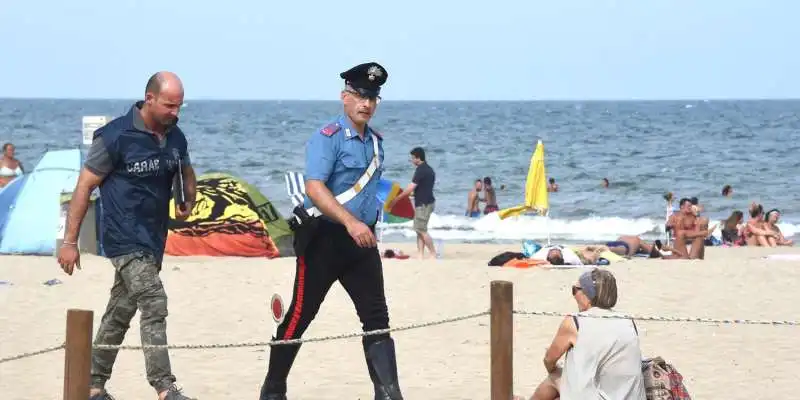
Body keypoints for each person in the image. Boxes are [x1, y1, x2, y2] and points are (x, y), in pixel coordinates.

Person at [259, 62, 404, 400]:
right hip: (325, 241)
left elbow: (370, 190)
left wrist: (369, 220)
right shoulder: (328, 138)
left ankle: (388, 394)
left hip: (362, 244)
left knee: (377, 319)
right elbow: (314, 187)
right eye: (359, 96)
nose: (366, 103)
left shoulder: (376, 144)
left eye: (372, 97)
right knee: (299, 316)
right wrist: (350, 221)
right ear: (345, 97)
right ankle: (273, 389)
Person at [56, 72, 197, 400]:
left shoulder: (176, 137)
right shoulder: (115, 137)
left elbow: (186, 170)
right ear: (149, 99)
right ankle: (164, 388)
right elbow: (84, 187)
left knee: (121, 309)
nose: (175, 112)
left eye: (179, 106)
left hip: (154, 238)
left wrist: (188, 199)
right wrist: (69, 242)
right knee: (154, 301)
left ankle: (92, 384)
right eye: (169, 105)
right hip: (122, 238)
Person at [518, 269, 645, 400]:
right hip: (628, 395)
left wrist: (555, 369)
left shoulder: (575, 321)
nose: (573, 295)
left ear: (587, 294)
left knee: (554, 377)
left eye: (575, 290)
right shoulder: (628, 321)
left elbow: (549, 360)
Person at [389, 147, 436, 258]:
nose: (411, 160)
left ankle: (433, 253)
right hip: (426, 202)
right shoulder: (429, 169)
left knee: (421, 230)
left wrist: (397, 198)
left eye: (413, 158)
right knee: (418, 230)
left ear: (418, 158)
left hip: (424, 204)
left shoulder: (421, 170)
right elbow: (424, 188)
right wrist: (413, 195)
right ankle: (420, 254)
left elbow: (411, 187)